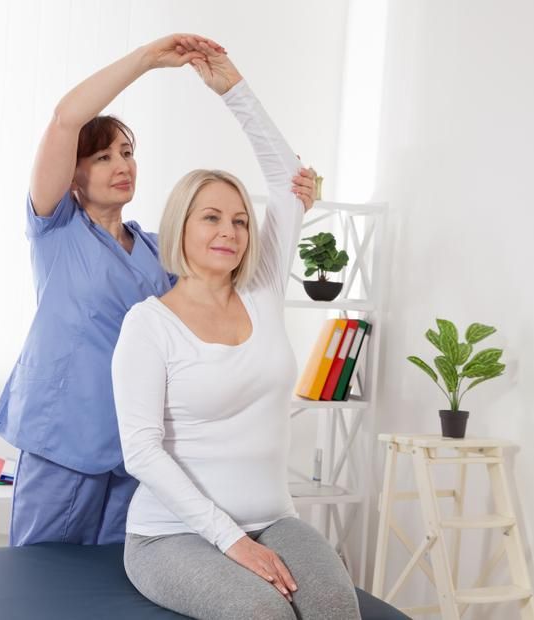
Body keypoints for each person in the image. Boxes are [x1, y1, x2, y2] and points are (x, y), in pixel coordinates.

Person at [0, 34, 317, 547]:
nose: (122, 165)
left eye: (127, 153)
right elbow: (64, 119)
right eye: (101, 157)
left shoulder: (159, 250)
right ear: (73, 173)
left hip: (140, 453)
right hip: (65, 442)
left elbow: (223, 247)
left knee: (120, 589)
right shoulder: (56, 230)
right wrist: (147, 61)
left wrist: (296, 204)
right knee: (41, 583)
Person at [112, 39, 361, 619]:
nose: (230, 231)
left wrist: (232, 86)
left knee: (334, 609)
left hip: (276, 519)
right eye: (212, 217)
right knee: (263, 614)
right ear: (181, 225)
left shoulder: (263, 287)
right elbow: (141, 453)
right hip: (170, 534)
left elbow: (285, 174)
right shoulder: (149, 326)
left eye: (241, 221)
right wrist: (230, 540)